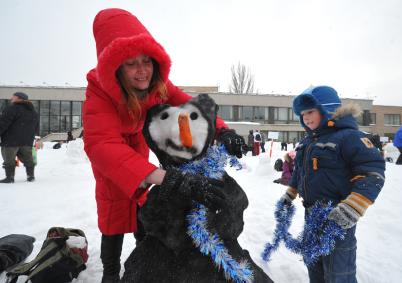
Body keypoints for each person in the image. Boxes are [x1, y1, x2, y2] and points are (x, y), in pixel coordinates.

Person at [83, 8, 245, 283]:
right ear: (115, 66)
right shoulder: (99, 90)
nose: (142, 70)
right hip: (112, 158)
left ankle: (143, 257)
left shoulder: (157, 83)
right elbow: (102, 145)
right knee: (113, 211)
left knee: (142, 209)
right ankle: (110, 271)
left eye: (146, 60)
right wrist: (167, 178)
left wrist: (223, 130)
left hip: (138, 148)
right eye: (131, 63)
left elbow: (188, 106)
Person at [282, 86, 385, 282]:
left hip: (338, 218)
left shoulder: (349, 137)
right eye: (302, 114)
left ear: (326, 109)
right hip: (311, 214)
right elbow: (299, 172)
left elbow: (372, 173)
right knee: (314, 265)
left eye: (310, 111)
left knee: (338, 272)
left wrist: (352, 207)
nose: (306, 118)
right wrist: (290, 193)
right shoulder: (307, 143)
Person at [0, 92, 38, 183]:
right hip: (26, 141)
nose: (11, 98)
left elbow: (3, 124)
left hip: (10, 140)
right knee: (28, 159)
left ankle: (10, 177)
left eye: (13, 96)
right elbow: (36, 126)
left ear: (19, 98)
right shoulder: (33, 111)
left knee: (9, 160)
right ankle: (31, 176)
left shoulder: (11, 109)